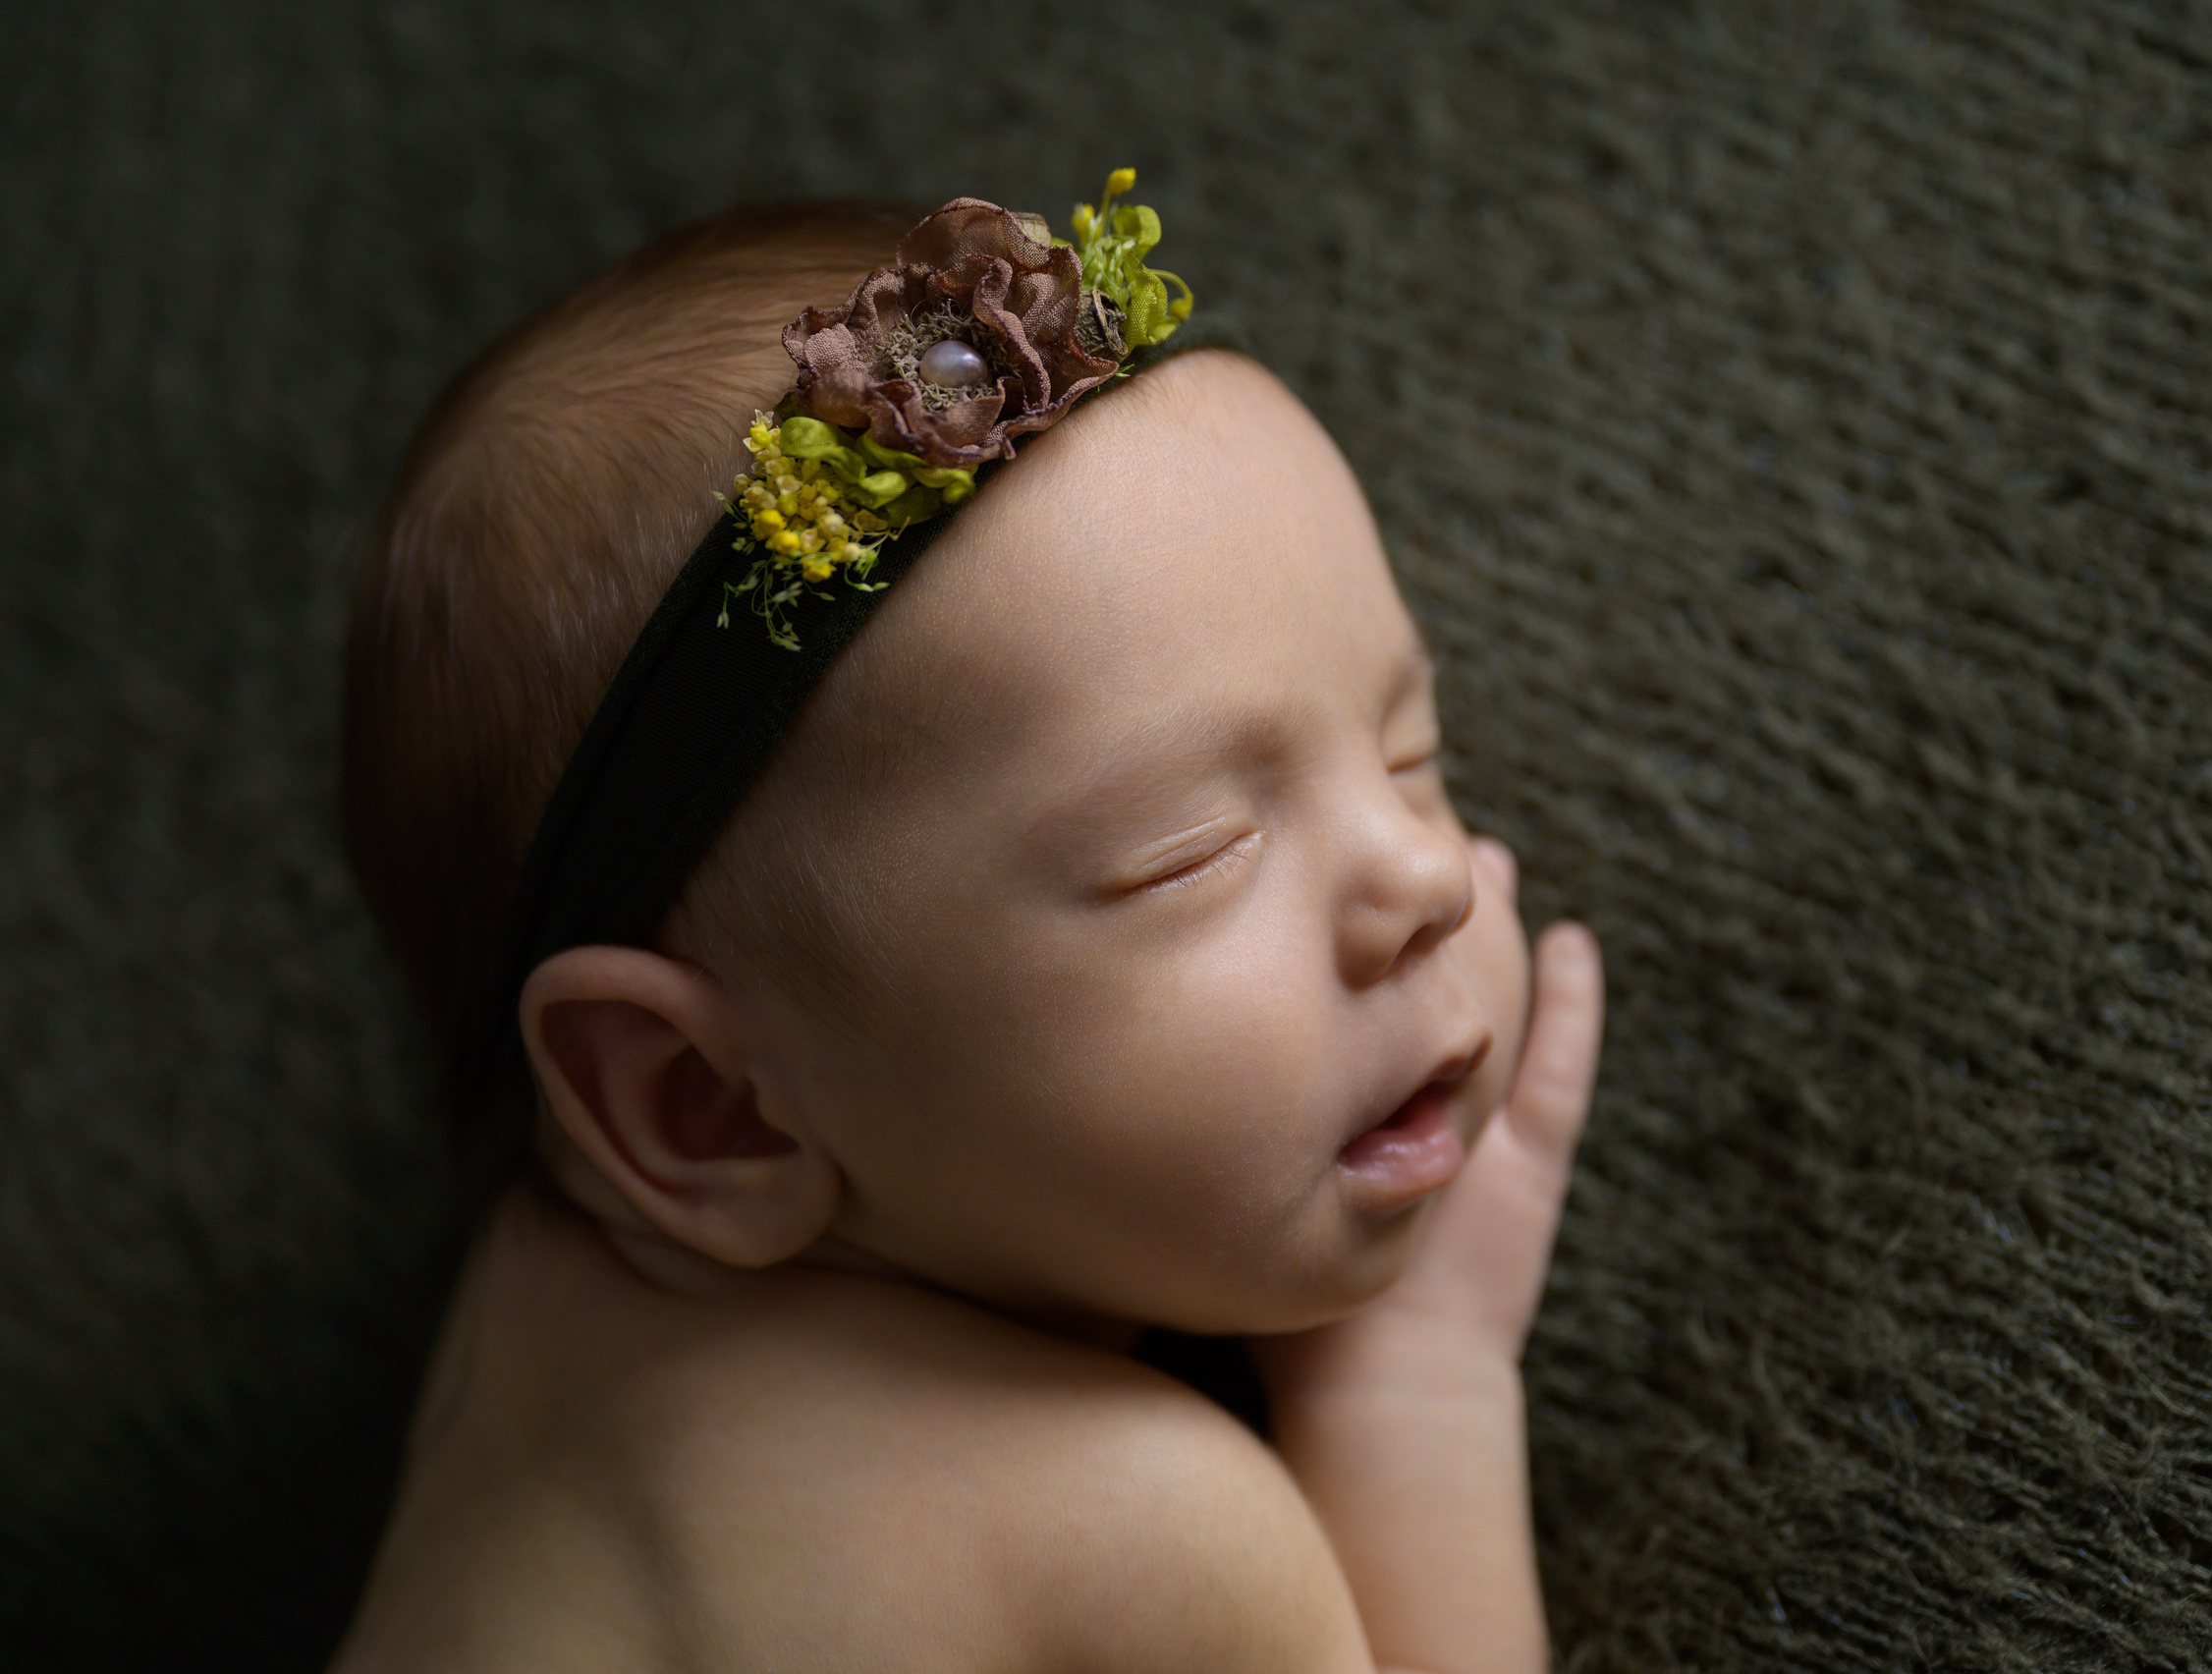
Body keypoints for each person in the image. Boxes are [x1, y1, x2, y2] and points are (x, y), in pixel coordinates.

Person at [330, 177, 1605, 1674]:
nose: (1430, 880)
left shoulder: (513, 1332)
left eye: (1408, 752)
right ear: (706, 1106)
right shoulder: (1130, 1538)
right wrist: (1414, 1393)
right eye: (1190, 856)